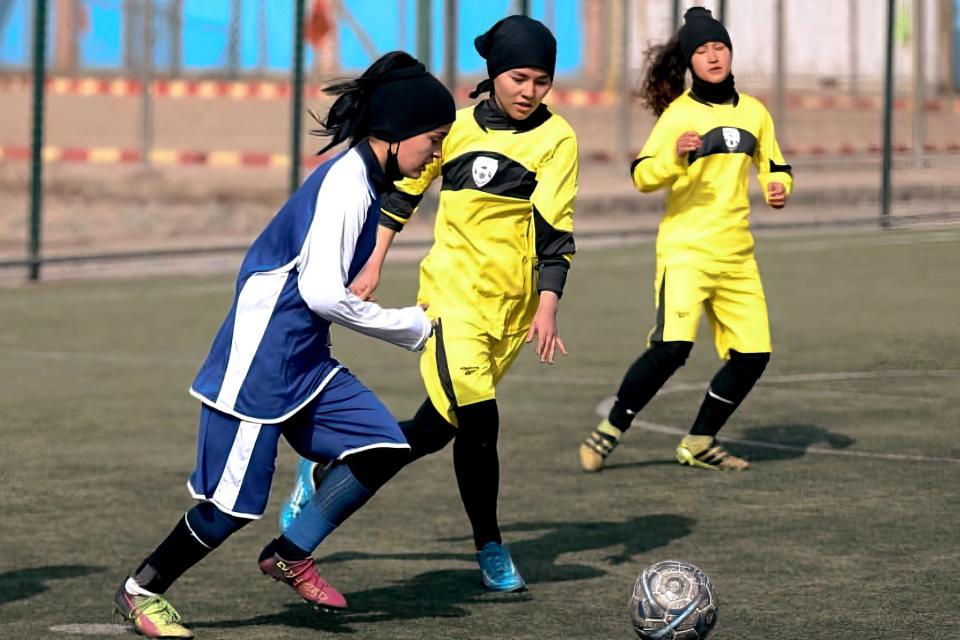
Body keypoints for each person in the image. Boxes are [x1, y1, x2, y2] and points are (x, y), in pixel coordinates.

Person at [113, 52, 455, 639]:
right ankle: (141, 590)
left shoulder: (367, 178)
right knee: (228, 511)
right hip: (263, 362)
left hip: (304, 360)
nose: (437, 153)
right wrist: (408, 327)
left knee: (381, 448)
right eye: (434, 138)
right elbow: (322, 293)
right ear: (395, 135)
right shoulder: (347, 186)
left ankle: (291, 553)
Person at [279, 15, 578, 593]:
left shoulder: (559, 139)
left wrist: (546, 304)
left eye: (542, 81)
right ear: (494, 74)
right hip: (450, 301)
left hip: (508, 312)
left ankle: (328, 467)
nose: (529, 91)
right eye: (519, 77)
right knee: (481, 424)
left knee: (435, 429)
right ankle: (490, 546)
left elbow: (554, 231)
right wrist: (373, 262)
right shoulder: (454, 130)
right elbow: (404, 193)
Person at [579, 7, 792, 473]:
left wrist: (779, 188)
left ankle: (699, 441)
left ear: (730, 52)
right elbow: (641, 175)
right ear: (689, 62)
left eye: (719, 46)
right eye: (701, 50)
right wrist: (675, 157)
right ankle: (611, 428)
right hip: (686, 250)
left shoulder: (755, 113)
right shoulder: (680, 115)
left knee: (754, 354)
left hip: (737, 255)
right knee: (672, 347)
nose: (713, 56)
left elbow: (775, 165)